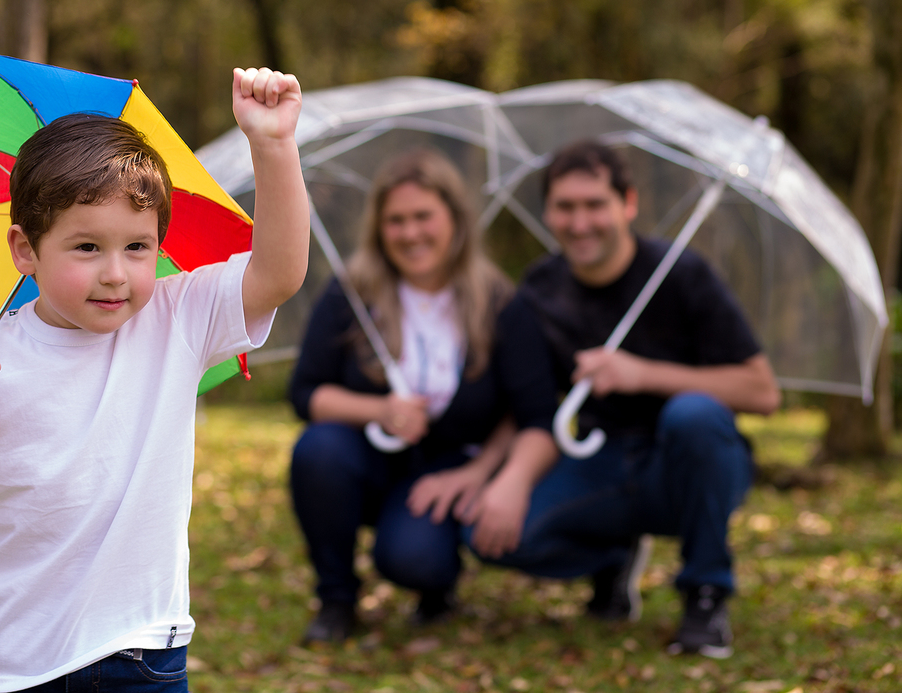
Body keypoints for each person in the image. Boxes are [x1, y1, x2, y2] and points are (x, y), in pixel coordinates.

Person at [0, 67, 308, 692]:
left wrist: (274, 144)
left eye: (138, 247)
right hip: (7, 658)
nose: (117, 273)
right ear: (25, 250)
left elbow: (279, 272)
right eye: (87, 247)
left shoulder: (177, 319)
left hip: (139, 653)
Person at [463, 139, 781, 659]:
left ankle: (705, 594)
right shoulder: (540, 288)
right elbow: (529, 401)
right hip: (596, 460)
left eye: (595, 205)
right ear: (548, 212)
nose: (580, 222)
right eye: (566, 207)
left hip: (685, 462)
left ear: (627, 204)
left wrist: (642, 374)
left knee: (694, 415)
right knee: (490, 534)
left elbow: (762, 391)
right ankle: (611, 556)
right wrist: (499, 479)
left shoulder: (682, 273)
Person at [287, 148, 559, 645]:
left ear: (454, 218)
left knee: (415, 560)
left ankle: (436, 583)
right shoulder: (352, 293)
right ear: (378, 227)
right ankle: (336, 598)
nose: (410, 234)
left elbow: (535, 412)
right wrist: (380, 410)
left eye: (423, 217)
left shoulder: (499, 302)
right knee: (316, 449)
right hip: (362, 459)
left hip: (449, 468)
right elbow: (305, 393)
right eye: (396, 221)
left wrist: (479, 474)